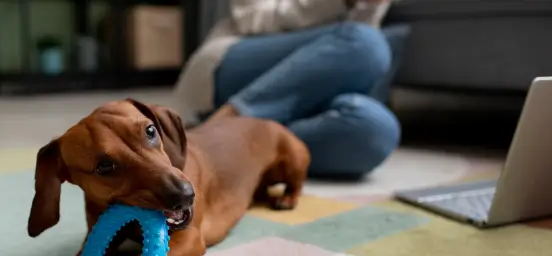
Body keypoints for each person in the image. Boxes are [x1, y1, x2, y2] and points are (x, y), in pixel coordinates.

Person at [174, 0, 406, 178]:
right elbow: (251, 19)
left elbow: (352, 54)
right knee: (367, 44)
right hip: (235, 59)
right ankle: (225, 124)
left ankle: (242, 150)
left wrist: (369, 5)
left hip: (315, 82)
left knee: (377, 132)